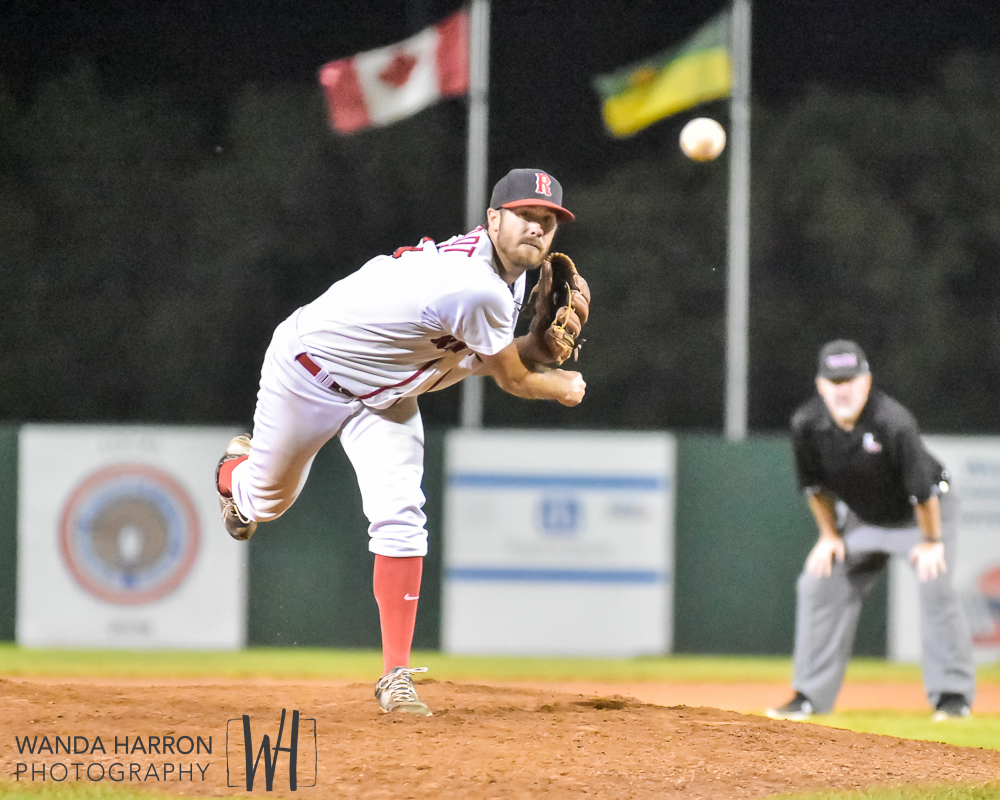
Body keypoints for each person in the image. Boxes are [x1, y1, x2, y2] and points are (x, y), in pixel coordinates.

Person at [214, 168, 587, 716]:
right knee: (264, 502)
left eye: (547, 221)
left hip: (391, 388)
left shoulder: (505, 279)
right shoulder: (477, 285)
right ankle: (232, 471)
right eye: (525, 216)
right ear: (492, 219)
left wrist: (530, 344)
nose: (537, 229)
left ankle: (395, 676)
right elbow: (511, 377)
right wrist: (560, 382)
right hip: (310, 371)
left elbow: (472, 357)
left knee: (402, 517)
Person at [767, 340, 976, 722]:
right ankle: (809, 696)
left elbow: (923, 491)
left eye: (850, 379)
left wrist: (931, 542)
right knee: (818, 582)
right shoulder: (807, 424)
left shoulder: (894, 422)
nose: (842, 389)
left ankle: (952, 697)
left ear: (867, 381)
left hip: (924, 516)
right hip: (862, 519)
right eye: (834, 381)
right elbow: (814, 488)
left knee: (936, 587)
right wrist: (830, 536)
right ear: (820, 385)